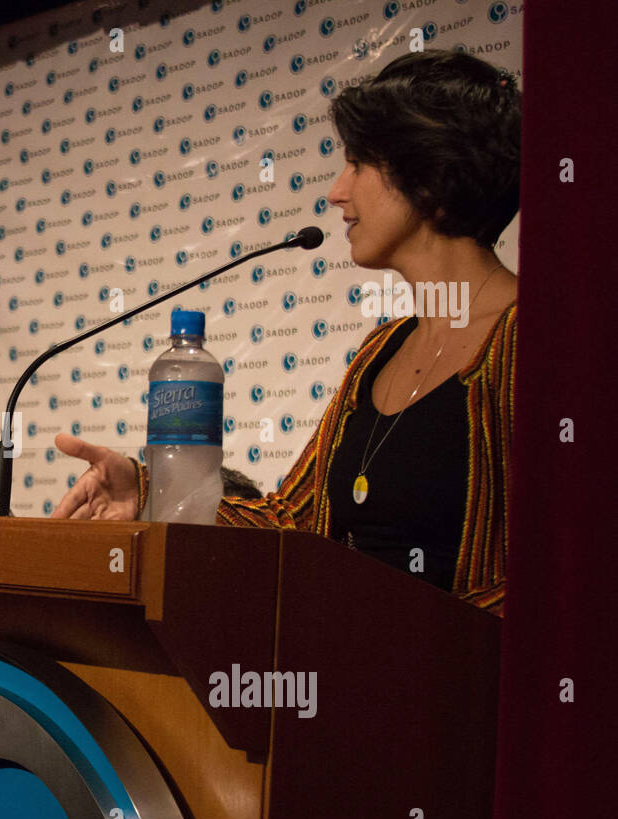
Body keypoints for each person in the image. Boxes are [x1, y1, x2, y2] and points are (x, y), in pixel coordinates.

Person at [53, 50, 519, 617]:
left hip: (456, 695)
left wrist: (426, 647)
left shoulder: (535, 340)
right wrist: (148, 491)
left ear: (430, 172)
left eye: (357, 163)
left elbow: (570, 575)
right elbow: (293, 523)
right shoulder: (381, 350)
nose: (335, 192)